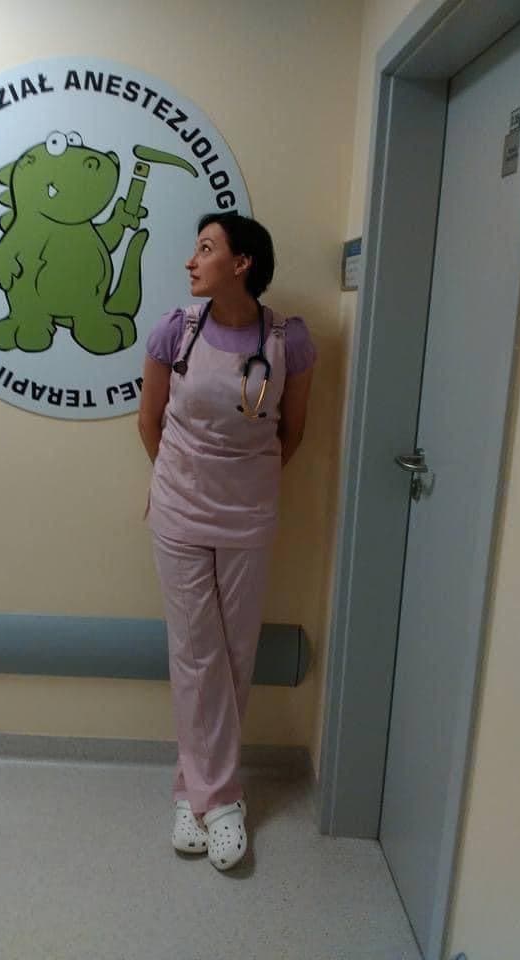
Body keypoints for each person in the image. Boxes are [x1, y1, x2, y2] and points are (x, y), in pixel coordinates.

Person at [138, 212, 315, 871]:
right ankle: (221, 800)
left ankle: (194, 792)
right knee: (195, 653)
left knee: (235, 653)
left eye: (206, 249)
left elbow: (292, 431)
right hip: (180, 513)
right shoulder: (175, 330)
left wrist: (245, 482)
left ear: (242, 264)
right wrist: (186, 482)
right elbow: (149, 423)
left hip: (248, 515)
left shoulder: (288, 340)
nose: (192, 261)